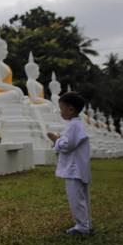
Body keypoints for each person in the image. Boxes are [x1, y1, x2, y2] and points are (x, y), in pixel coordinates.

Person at [47, 91, 92, 235]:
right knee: (81, 198)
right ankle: (86, 223)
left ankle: (82, 227)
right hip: (77, 168)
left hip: (74, 170)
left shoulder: (74, 125)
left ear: (71, 109)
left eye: (62, 109)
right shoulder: (76, 124)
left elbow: (68, 145)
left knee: (76, 199)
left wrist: (56, 140)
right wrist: (61, 139)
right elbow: (71, 141)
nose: (61, 113)